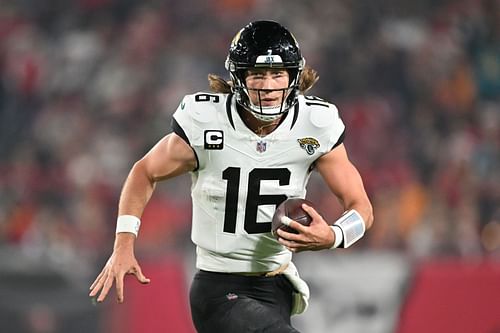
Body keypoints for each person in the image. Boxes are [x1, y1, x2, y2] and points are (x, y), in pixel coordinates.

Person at [89, 20, 373, 332]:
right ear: (239, 77)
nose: (268, 86)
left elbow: (361, 207)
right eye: (258, 75)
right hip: (219, 288)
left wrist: (334, 235)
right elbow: (144, 171)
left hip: (277, 286)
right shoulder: (206, 121)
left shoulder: (316, 124)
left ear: (293, 76)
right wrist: (124, 243)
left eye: (277, 74)